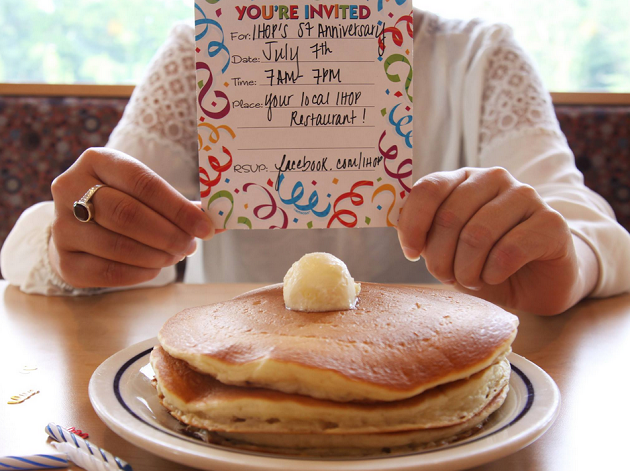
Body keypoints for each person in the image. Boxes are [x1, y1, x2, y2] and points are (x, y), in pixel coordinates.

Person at [2, 9, 629, 315]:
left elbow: (594, 233)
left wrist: (565, 261)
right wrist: (72, 242)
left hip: (440, 407)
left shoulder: (481, 60)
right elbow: (35, 241)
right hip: (228, 391)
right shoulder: (200, 57)